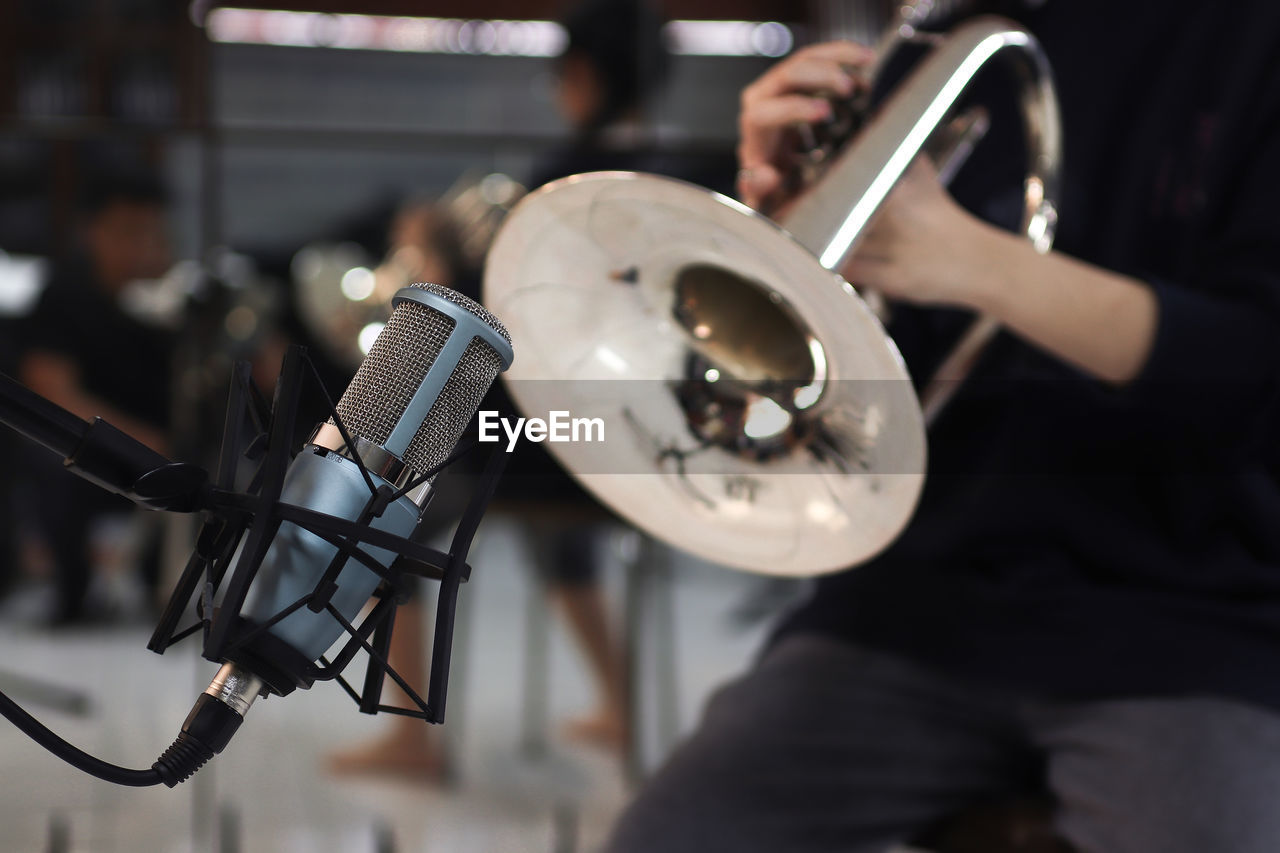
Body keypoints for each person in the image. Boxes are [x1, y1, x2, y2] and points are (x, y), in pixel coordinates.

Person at [605, 2, 1280, 851]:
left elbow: (1254, 369)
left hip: (1192, 620)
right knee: (668, 835)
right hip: (919, 603)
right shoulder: (946, 36)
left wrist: (971, 260)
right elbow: (893, 376)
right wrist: (812, 234)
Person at [15, 170, 175, 625]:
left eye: (152, 232)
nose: (141, 246)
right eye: (128, 231)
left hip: (168, 446)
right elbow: (51, 388)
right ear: (92, 231)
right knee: (50, 458)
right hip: (95, 448)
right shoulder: (63, 296)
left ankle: (168, 591)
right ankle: (72, 592)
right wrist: (136, 442)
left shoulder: (177, 300)